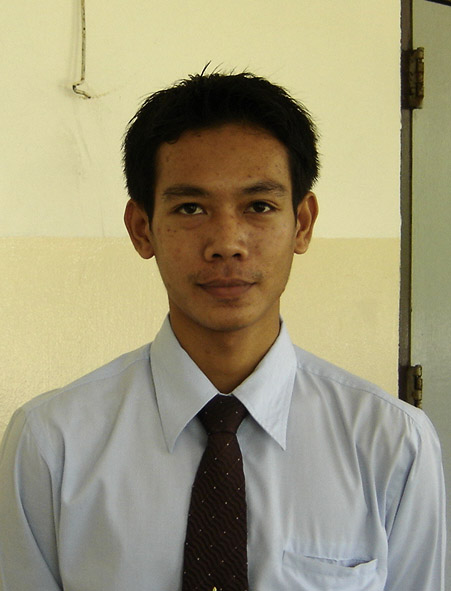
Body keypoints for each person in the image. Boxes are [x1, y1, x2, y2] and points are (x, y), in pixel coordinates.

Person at [0, 72, 445, 591]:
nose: (227, 243)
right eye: (191, 208)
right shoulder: (52, 442)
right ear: (142, 229)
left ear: (302, 223)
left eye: (259, 206)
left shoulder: (392, 443)